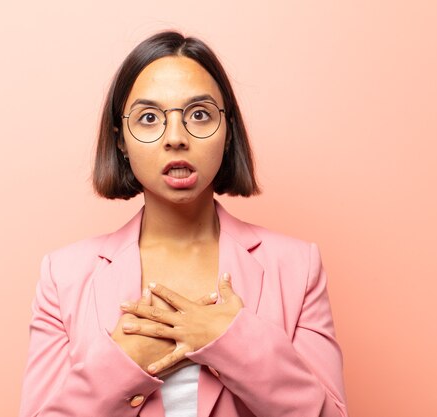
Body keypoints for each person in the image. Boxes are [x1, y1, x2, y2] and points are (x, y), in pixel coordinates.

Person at [18, 30, 348, 417]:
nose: (176, 138)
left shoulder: (297, 266)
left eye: (199, 114)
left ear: (228, 133)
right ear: (120, 139)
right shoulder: (64, 275)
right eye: (148, 118)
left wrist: (231, 340)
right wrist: (125, 361)